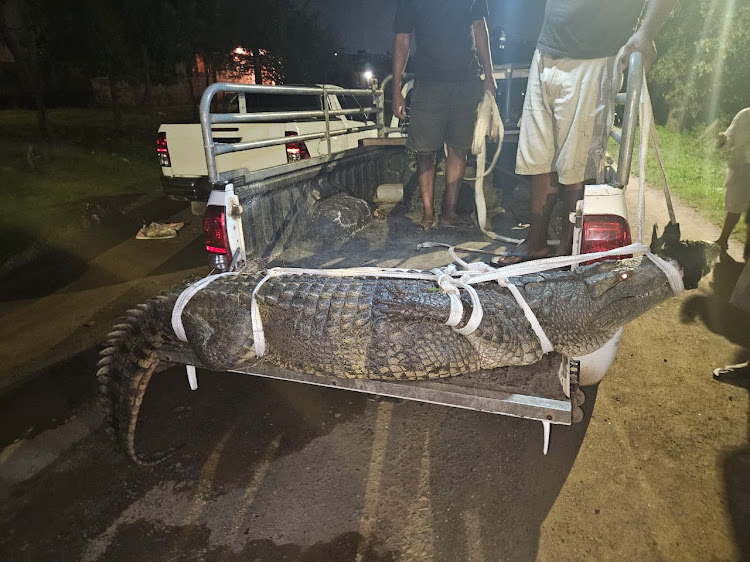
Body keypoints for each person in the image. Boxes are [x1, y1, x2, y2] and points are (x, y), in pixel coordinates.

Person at [496, 0, 678, 265]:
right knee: (539, 156)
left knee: (576, 162)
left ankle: (568, 249)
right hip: (547, 50)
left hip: (595, 56)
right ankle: (535, 241)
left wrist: (646, 32)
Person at [391, 0, 497, 232]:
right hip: (428, 82)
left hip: (466, 80)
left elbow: (480, 27)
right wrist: (396, 88)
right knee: (425, 151)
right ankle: (428, 213)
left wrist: (489, 74)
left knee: (459, 148)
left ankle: (449, 213)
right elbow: (402, 39)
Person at [714, 107, 750, 259]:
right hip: (743, 166)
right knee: (735, 205)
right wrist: (723, 141)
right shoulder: (746, 115)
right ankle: (723, 240)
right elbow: (730, 137)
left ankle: (747, 249)